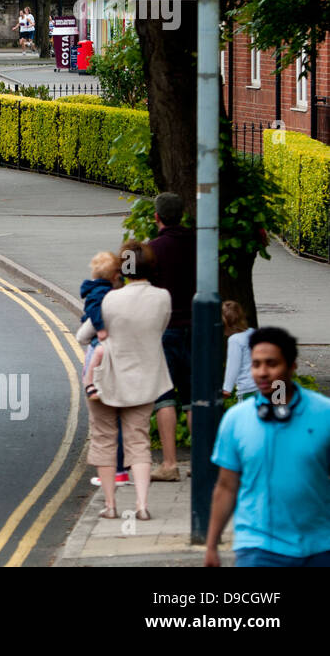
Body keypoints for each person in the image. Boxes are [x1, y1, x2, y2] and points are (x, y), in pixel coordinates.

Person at [206, 327, 330, 567]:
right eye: (256, 364)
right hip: (258, 548)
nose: (262, 373)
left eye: (271, 364)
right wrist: (211, 545)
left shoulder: (324, 414)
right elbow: (226, 486)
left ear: (292, 366)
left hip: (319, 546)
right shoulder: (236, 419)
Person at [77, 240, 171, 524]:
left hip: (106, 381)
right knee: (139, 441)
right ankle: (142, 505)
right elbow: (160, 329)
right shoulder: (163, 297)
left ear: (123, 269)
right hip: (145, 379)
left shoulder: (109, 299)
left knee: (104, 440)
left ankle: (110, 505)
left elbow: (84, 335)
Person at [146, 191, 195, 482]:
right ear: (182, 215)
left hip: (165, 329)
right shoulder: (199, 244)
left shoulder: (152, 249)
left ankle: (169, 464)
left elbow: (134, 279)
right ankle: (202, 464)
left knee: (165, 397)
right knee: (193, 397)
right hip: (197, 329)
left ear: (157, 217)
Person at [79, 251, 122, 399]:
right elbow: (94, 309)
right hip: (96, 326)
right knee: (97, 351)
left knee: (93, 351)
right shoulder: (101, 291)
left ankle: (89, 379)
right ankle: (89, 382)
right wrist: (101, 328)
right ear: (113, 275)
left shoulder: (99, 287)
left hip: (95, 325)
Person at [221, 301, 258, 401]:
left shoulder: (235, 340)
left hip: (247, 388)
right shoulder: (253, 332)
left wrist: (227, 388)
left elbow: (233, 366)